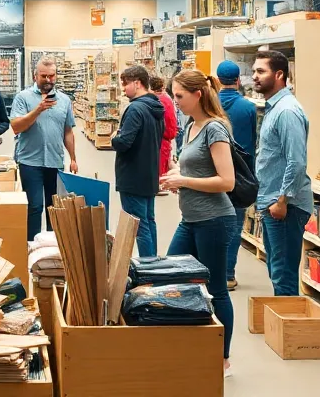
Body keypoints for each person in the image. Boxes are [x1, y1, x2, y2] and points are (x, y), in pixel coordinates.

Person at [161, 69, 236, 376]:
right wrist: (178, 175)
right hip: (191, 219)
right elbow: (199, 171)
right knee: (171, 275)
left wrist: (185, 180)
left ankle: (223, 360)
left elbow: (226, 181)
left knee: (216, 288)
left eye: (179, 96)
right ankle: (190, 344)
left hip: (214, 220)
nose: (175, 102)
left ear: (198, 94)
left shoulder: (214, 129)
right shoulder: (191, 126)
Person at [251, 50, 313, 297]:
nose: (254, 76)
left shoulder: (286, 111)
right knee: (277, 270)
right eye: (254, 71)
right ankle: (285, 328)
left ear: (279, 75)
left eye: (261, 71)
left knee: (283, 274)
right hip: (273, 201)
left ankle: (291, 332)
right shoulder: (274, 107)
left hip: (285, 206)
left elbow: (296, 161)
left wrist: (282, 200)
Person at [10, 58, 78, 240]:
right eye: (44, 76)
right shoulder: (23, 98)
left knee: (54, 207)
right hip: (29, 161)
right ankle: (31, 247)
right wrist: (38, 110)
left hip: (55, 161)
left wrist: (73, 158)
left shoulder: (64, 100)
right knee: (34, 206)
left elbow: (68, 131)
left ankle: (51, 248)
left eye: (51, 76)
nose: (48, 79)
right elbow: (16, 126)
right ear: (35, 76)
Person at [111, 65, 163, 257]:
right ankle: (154, 264)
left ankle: (148, 269)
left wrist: (114, 138)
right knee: (148, 221)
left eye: (125, 84)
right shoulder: (155, 107)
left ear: (137, 83)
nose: (123, 89)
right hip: (149, 174)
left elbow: (124, 142)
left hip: (132, 176)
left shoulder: (135, 109)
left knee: (138, 226)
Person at [216, 60, 259, 291]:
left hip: (211, 175)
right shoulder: (248, 107)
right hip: (240, 175)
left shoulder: (210, 106)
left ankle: (209, 270)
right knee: (234, 226)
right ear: (238, 80)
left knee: (210, 222)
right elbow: (252, 142)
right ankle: (228, 274)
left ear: (217, 79)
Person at [150, 74, 178, 187]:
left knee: (160, 161)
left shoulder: (158, 100)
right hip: (167, 135)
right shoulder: (166, 99)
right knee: (164, 160)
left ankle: (159, 184)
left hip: (162, 135)